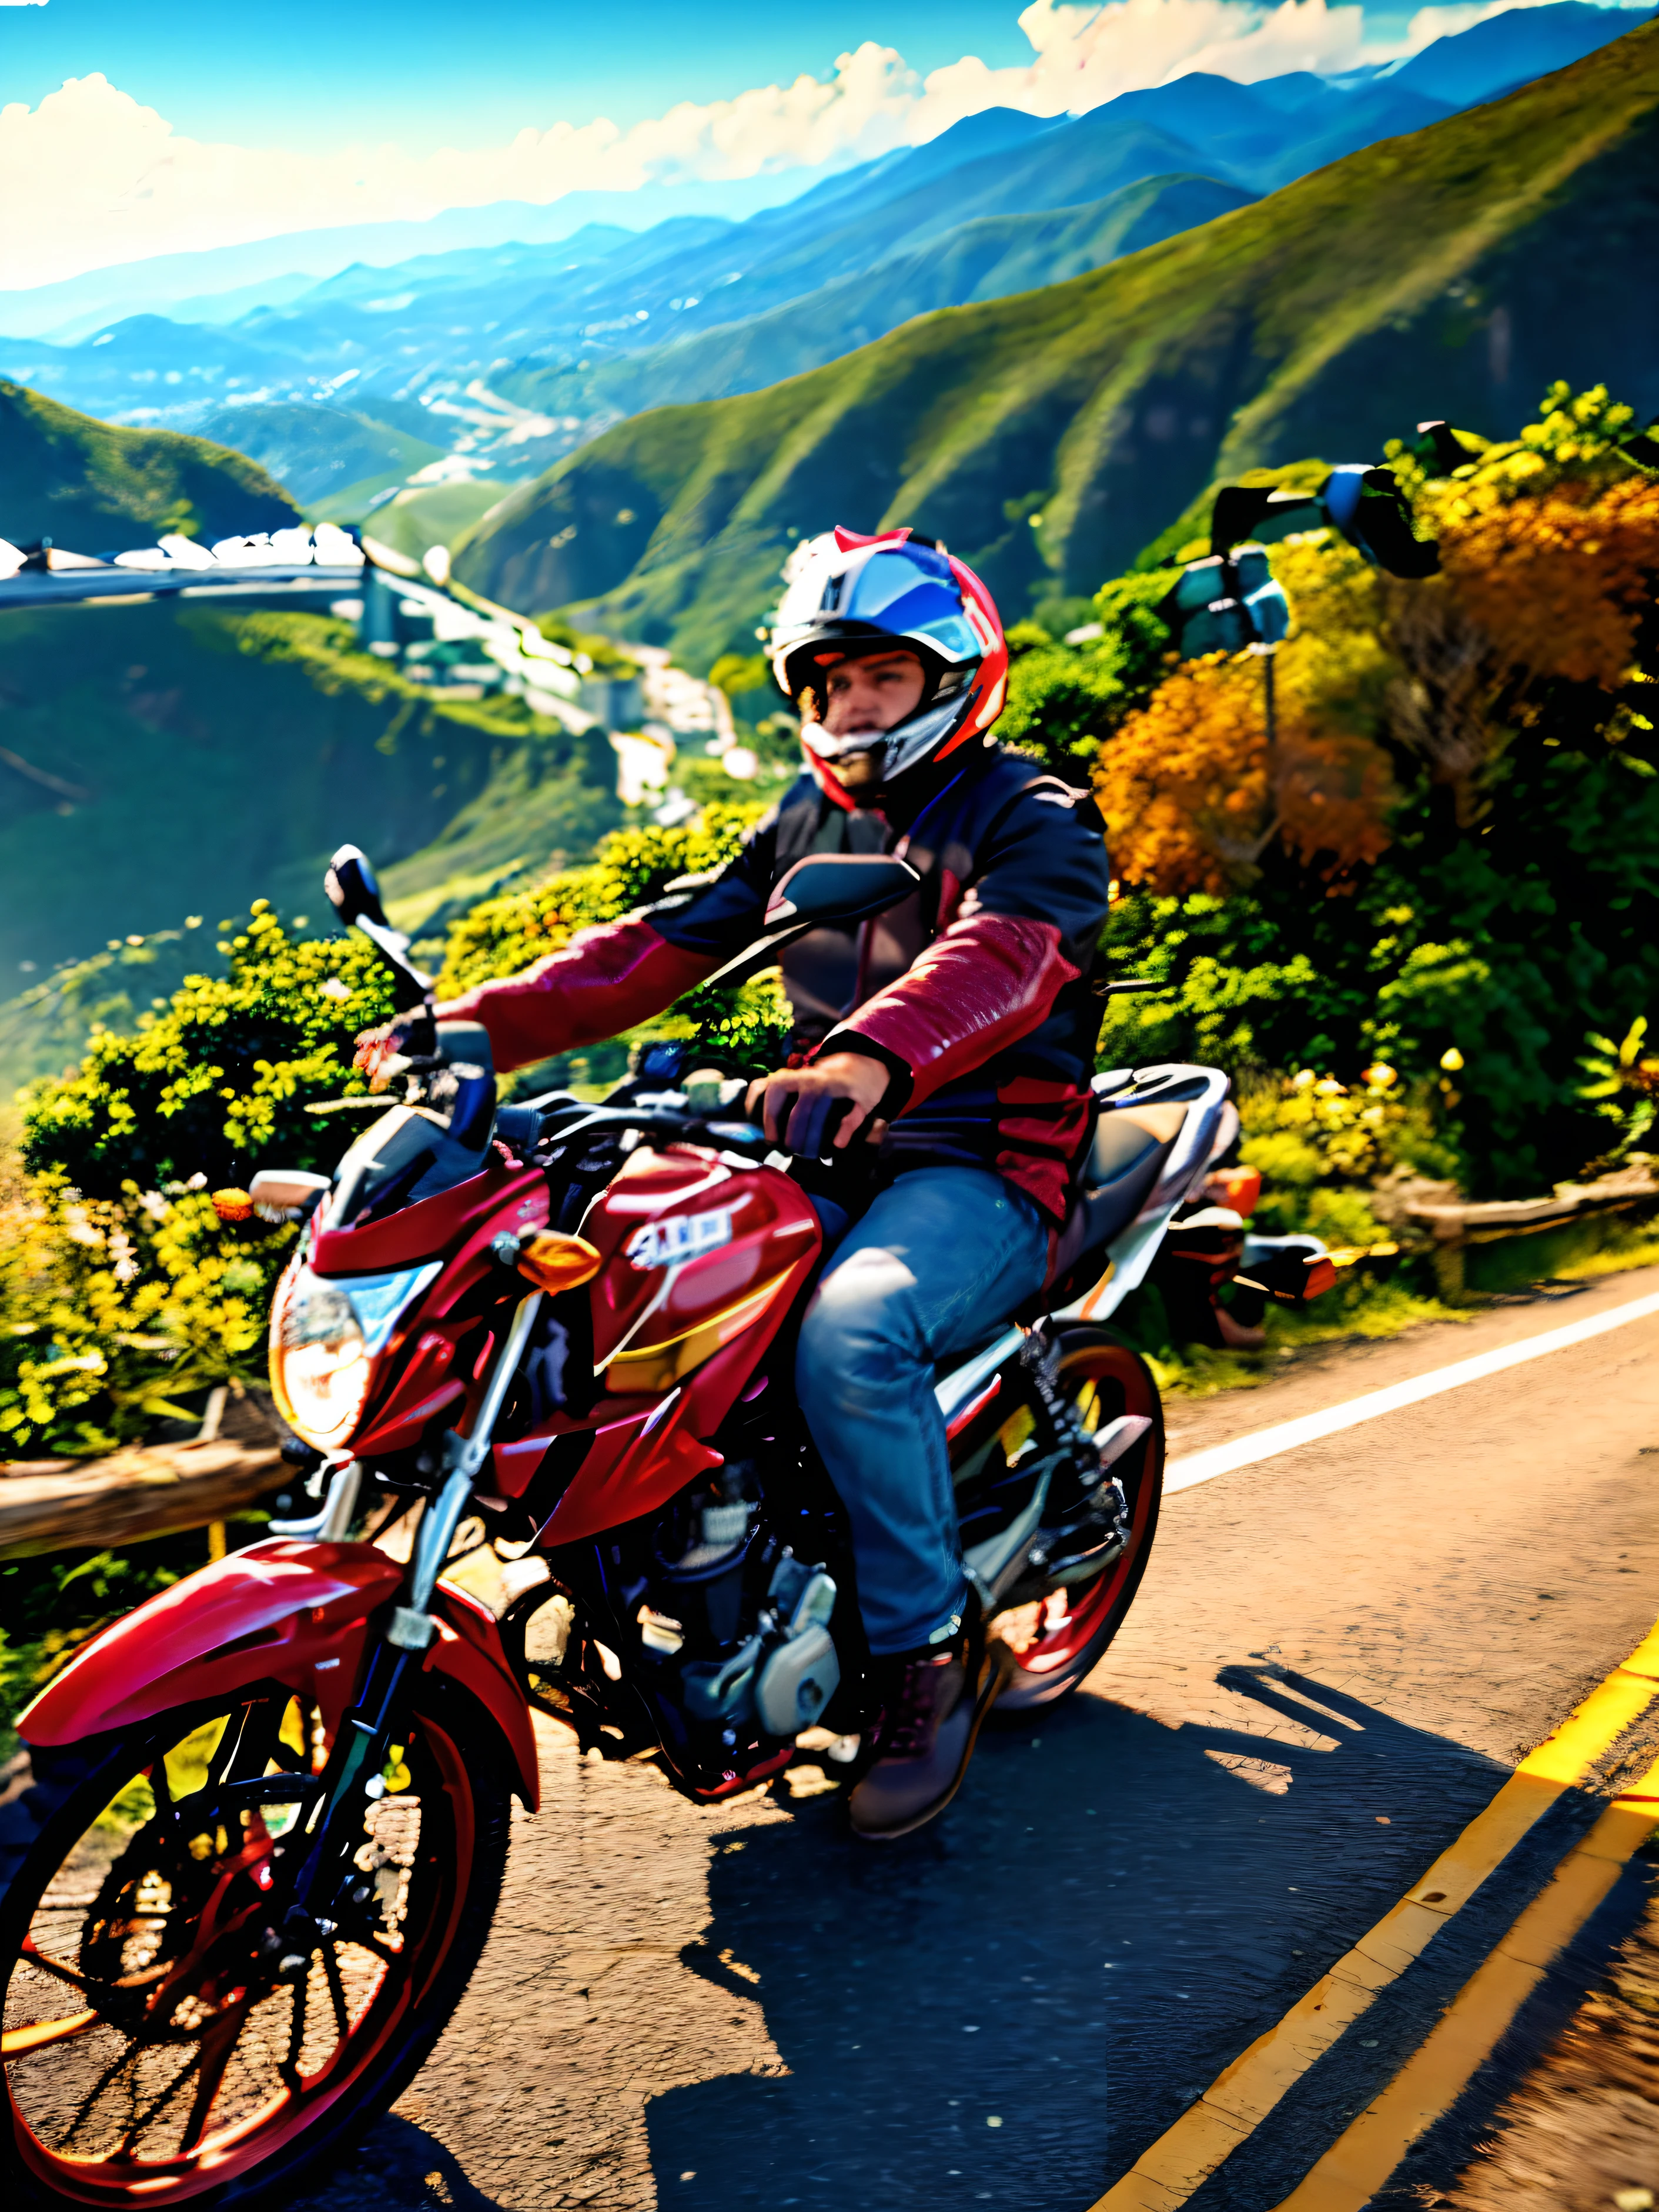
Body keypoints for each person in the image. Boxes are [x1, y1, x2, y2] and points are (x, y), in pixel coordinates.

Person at [357, 526, 1112, 1839]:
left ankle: (922, 1664)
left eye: (879, 677)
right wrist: (470, 1030)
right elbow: (655, 945)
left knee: (854, 1333)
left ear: (950, 677)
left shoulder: (1032, 813)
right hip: (815, 1148)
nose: (850, 706)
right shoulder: (804, 821)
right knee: (646, 1287)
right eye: (827, 684)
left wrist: (877, 1053)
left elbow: (1004, 954)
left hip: (981, 1161)